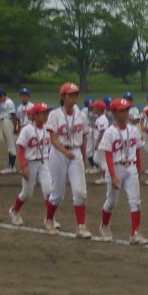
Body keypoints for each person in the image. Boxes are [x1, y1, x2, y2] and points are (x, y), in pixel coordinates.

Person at [45, 82, 92, 238]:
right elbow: (53, 137)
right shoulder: (55, 115)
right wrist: (64, 151)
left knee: (80, 192)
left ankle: (81, 226)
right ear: (63, 96)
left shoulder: (81, 115)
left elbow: (84, 137)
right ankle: (49, 219)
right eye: (70, 95)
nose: (73, 98)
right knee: (58, 193)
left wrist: (82, 156)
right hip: (59, 153)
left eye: (75, 95)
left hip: (76, 152)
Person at [95, 98, 145, 244]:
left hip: (131, 167)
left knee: (135, 201)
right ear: (114, 113)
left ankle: (135, 233)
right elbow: (108, 155)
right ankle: (104, 225)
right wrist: (112, 175)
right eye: (121, 111)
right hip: (116, 167)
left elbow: (138, 151)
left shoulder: (133, 130)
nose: (125, 114)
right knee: (111, 201)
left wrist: (139, 170)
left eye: (126, 111)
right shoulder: (110, 132)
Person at [8, 101, 54, 228]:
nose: (45, 116)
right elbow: (21, 148)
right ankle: (14, 211)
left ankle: (50, 219)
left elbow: (49, 148)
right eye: (43, 113)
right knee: (27, 193)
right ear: (34, 115)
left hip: (44, 162)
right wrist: (23, 167)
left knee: (49, 190)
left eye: (46, 113)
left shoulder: (47, 129)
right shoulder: (27, 129)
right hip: (30, 163)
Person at [0, 87, 17, 172]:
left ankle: (12, 167)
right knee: (8, 144)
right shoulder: (4, 103)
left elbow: (14, 116)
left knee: (11, 145)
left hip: (8, 122)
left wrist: (15, 127)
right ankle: (11, 166)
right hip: (4, 122)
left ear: (2, 95)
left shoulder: (9, 102)